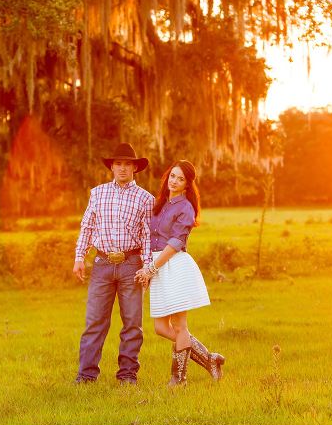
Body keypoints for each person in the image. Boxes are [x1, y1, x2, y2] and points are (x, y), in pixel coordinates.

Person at [134, 160, 225, 386]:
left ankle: (179, 379)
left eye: (180, 179)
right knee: (160, 327)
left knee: (179, 326)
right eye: (172, 176)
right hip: (157, 267)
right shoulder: (159, 203)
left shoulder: (185, 207)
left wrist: (151, 268)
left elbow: (176, 243)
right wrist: (148, 266)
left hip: (174, 265)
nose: (174, 181)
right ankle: (210, 359)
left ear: (187, 184)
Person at [72, 143, 154, 385]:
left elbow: (148, 235)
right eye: (118, 164)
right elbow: (87, 227)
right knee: (95, 322)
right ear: (112, 167)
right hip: (102, 263)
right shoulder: (98, 193)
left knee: (132, 324)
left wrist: (147, 267)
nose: (122, 168)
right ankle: (86, 375)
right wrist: (79, 257)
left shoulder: (145, 199)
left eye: (127, 164)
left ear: (135, 168)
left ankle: (127, 375)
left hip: (132, 264)